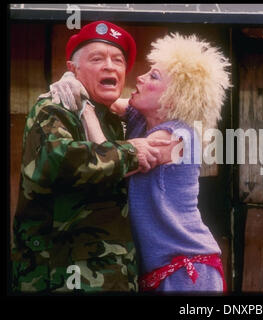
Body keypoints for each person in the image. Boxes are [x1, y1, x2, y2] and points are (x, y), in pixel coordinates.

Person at [11, 21, 171, 292]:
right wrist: (132, 151)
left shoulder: (115, 120)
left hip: (115, 276)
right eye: (97, 59)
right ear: (72, 69)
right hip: (59, 277)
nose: (110, 66)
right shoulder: (55, 108)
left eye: (118, 60)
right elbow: (58, 161)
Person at [82, 33, 231, 293]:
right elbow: (104, 98)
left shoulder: (177, 137)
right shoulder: (141, 118)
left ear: (173, 98)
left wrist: (84, 110)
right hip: (158, 271)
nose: (139, 77)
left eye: (153, 76)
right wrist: (73, 81)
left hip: (187, 270)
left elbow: (109, 158)